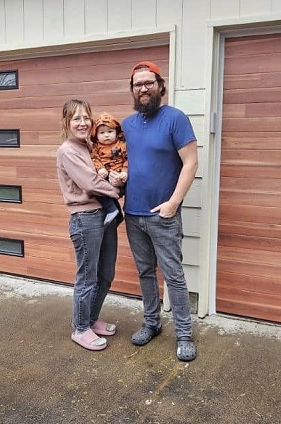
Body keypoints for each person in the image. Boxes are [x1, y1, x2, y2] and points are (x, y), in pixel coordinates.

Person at [110, 61, 198, 361]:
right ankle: (152, 323)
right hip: (133, 215)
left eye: (149, 83)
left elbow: (191, 162)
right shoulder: (127, 125)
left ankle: (184, 334)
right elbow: (118, 162)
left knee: (173, 275)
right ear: (132, 90)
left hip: (163, 216)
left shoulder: (175, 119)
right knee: (145, 272)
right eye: (137, 84)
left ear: (160, 86)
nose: (143, 88)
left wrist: (173, 203)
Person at [56, 99, 121, 351]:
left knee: (106, 274)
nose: (82, 123)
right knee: (88, 277)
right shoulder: (67, 151)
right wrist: (117, 190)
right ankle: (80, 328)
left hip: (105, 215)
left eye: (86, 118)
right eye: (76, 119)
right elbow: (91, 182)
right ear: (66, 123)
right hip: (86, 219)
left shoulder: (91, 146)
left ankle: (91, 319)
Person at [90, 112, 128, 227]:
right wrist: (100, 168)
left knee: (111, 192)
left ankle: (112, 210)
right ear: (96, 134)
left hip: (118, 174)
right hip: (104, 175)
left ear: (116, 132)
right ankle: (115, 212)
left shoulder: (121, 145)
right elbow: (95, 158)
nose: (106, 135)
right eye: (102, 132)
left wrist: (124, 172)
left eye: (110, 132)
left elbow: (127, 159)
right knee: (97, 189)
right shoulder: (96, 147)